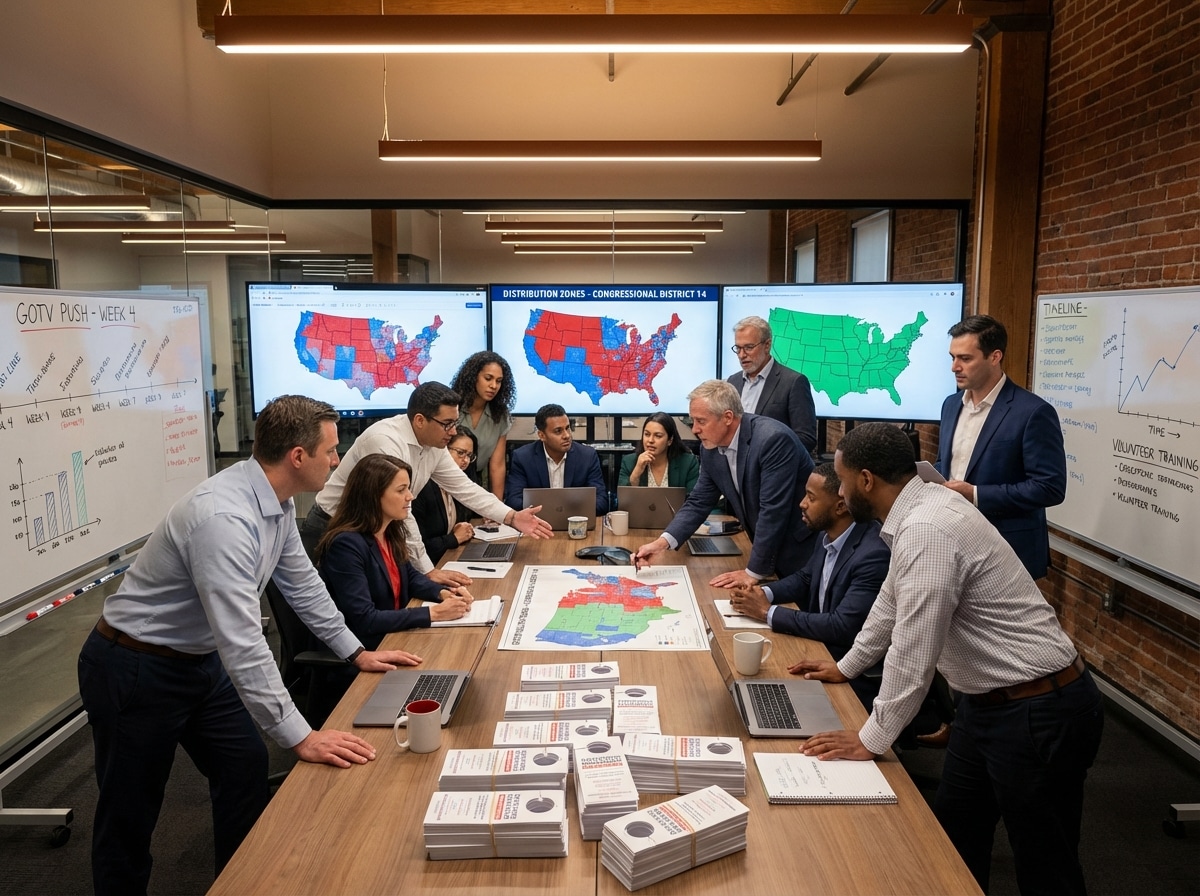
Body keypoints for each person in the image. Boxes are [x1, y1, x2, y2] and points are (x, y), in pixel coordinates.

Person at [77, 395, 425, 896]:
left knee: (243, 765)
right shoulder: (222, 519)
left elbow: (303, 585)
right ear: (298, 457)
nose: (337, 460)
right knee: (130, 814)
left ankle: (240, 883)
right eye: (331, 450)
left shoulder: (277, 502)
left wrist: (356, 652)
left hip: (197, 661)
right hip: (136, 666)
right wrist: (301, 736)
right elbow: (243, 642)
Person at [791, 422, 1103, 896]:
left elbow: (913, 648)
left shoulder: (927, 528)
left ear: (867, 480)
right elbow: (891, 603)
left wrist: (871, 738)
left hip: (1038, 709)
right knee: (953, 844)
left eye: (844, 481)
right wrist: (846, 666)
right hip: (987, 705)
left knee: (1046, 866)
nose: (841, 492)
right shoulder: (918, 510)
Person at [300, 381, 552, 582]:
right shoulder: (386, 441)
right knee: (326, 613)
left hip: (369, 531)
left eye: (455, 423)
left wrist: (511, 517)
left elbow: (465, 488)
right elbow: (404, 513)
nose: (454, 432)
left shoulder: (434, 444)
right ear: (420, 420)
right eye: (447, 424)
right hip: (331, 527)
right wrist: (427, 571)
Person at [727, 462, 889, 709]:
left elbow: (842, 626)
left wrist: (765, 611)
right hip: (817, 647)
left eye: (811, 498)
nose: (802, 504)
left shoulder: (873, 554)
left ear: (840, 506)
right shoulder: (828, 534)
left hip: (847, 673)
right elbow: (805, 578)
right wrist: (762, 593)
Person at [633, 380, 816, 588]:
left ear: (728, 417)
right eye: (693, 421)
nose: (695, 430)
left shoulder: (772, 440)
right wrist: (661, 543)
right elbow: (699, 502)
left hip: (798, 549)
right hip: (765, 547)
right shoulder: (710, 448)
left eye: (701, 421)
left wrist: (753, 572)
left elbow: (773, 511)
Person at [935, 314, 1066, 578]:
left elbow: (1049, 488)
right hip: (952, 543)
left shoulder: (1033, 412)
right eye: (953, 357)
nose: (954, 367)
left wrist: (976, 494)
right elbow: (948, 464)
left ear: (995, 357)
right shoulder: (950, 405)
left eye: (965, 359)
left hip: (1007, 553)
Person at [315, 453, 473, 649]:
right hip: (368, 648)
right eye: (401, 490)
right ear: (373, 495)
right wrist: (434, 613)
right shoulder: (345, 545)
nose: (410, 496)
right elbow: (365, 619)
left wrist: (444, 593)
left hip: (395, 634)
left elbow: (410, 576)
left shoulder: (389, 530)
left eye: (408, 488)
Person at [725, 314, 817, 453]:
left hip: (774, 463)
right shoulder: (732, 382)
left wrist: (770, 454)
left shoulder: (793, 382)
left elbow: (806, 438)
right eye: (738, 348)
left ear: (767, 345)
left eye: (749, 347)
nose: (742, 355)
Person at [504, 403, 609, 516]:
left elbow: (601, 502)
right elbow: (513, 501)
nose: (567, 435)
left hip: (577, 522)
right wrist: (552, 511)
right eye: (558, 431)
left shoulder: (587, 456)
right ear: (542, 435)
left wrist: (565, 512)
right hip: (538, 523)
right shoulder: (523, 458)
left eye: (567, 428)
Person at [450, 350, 515, 499]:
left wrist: (498, 507)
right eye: (488, 378)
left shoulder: (500, 415)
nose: (494, 386)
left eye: (499, 381)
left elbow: (497, 466)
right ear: (473, 377)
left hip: (476, 483)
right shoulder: (451, 407)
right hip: (445, 480)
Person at [410, 427, 479, 565]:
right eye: (461, 453)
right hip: (428, 566)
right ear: (442, 451)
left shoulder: (459, 481)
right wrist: (453, 538)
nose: (466, 460)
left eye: (469, 455)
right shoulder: (422, 487)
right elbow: (417, 548)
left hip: (449, 558)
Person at [618, 412, 700, 493]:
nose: (650, 440)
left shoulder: (688, 463)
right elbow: (624, 498)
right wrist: (636, 473)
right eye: (647, 434)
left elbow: (694, 497)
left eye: (658, 436)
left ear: (670, 440)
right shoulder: (629, 462)